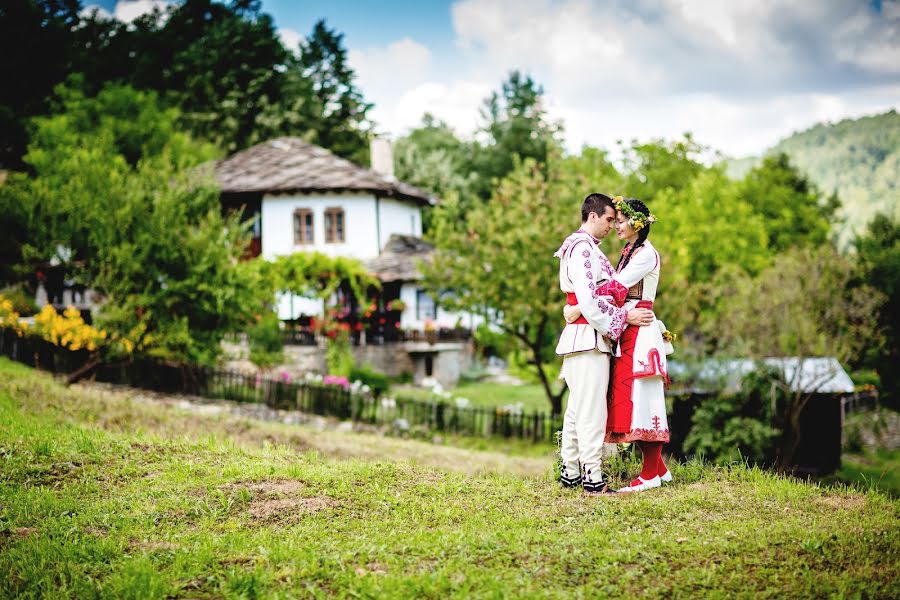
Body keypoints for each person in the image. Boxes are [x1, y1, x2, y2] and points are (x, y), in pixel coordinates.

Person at [565, 196, 675, 492]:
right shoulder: (630, 251)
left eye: (621, 221)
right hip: (628, 327)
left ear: (637, 224)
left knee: (642, 396)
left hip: (639, 328)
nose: (616, 226)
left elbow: (615, 288)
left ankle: (651, 471)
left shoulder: (644, 255)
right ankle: (658, 469)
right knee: (634, 396)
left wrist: (579, 306)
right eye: (613, 220)